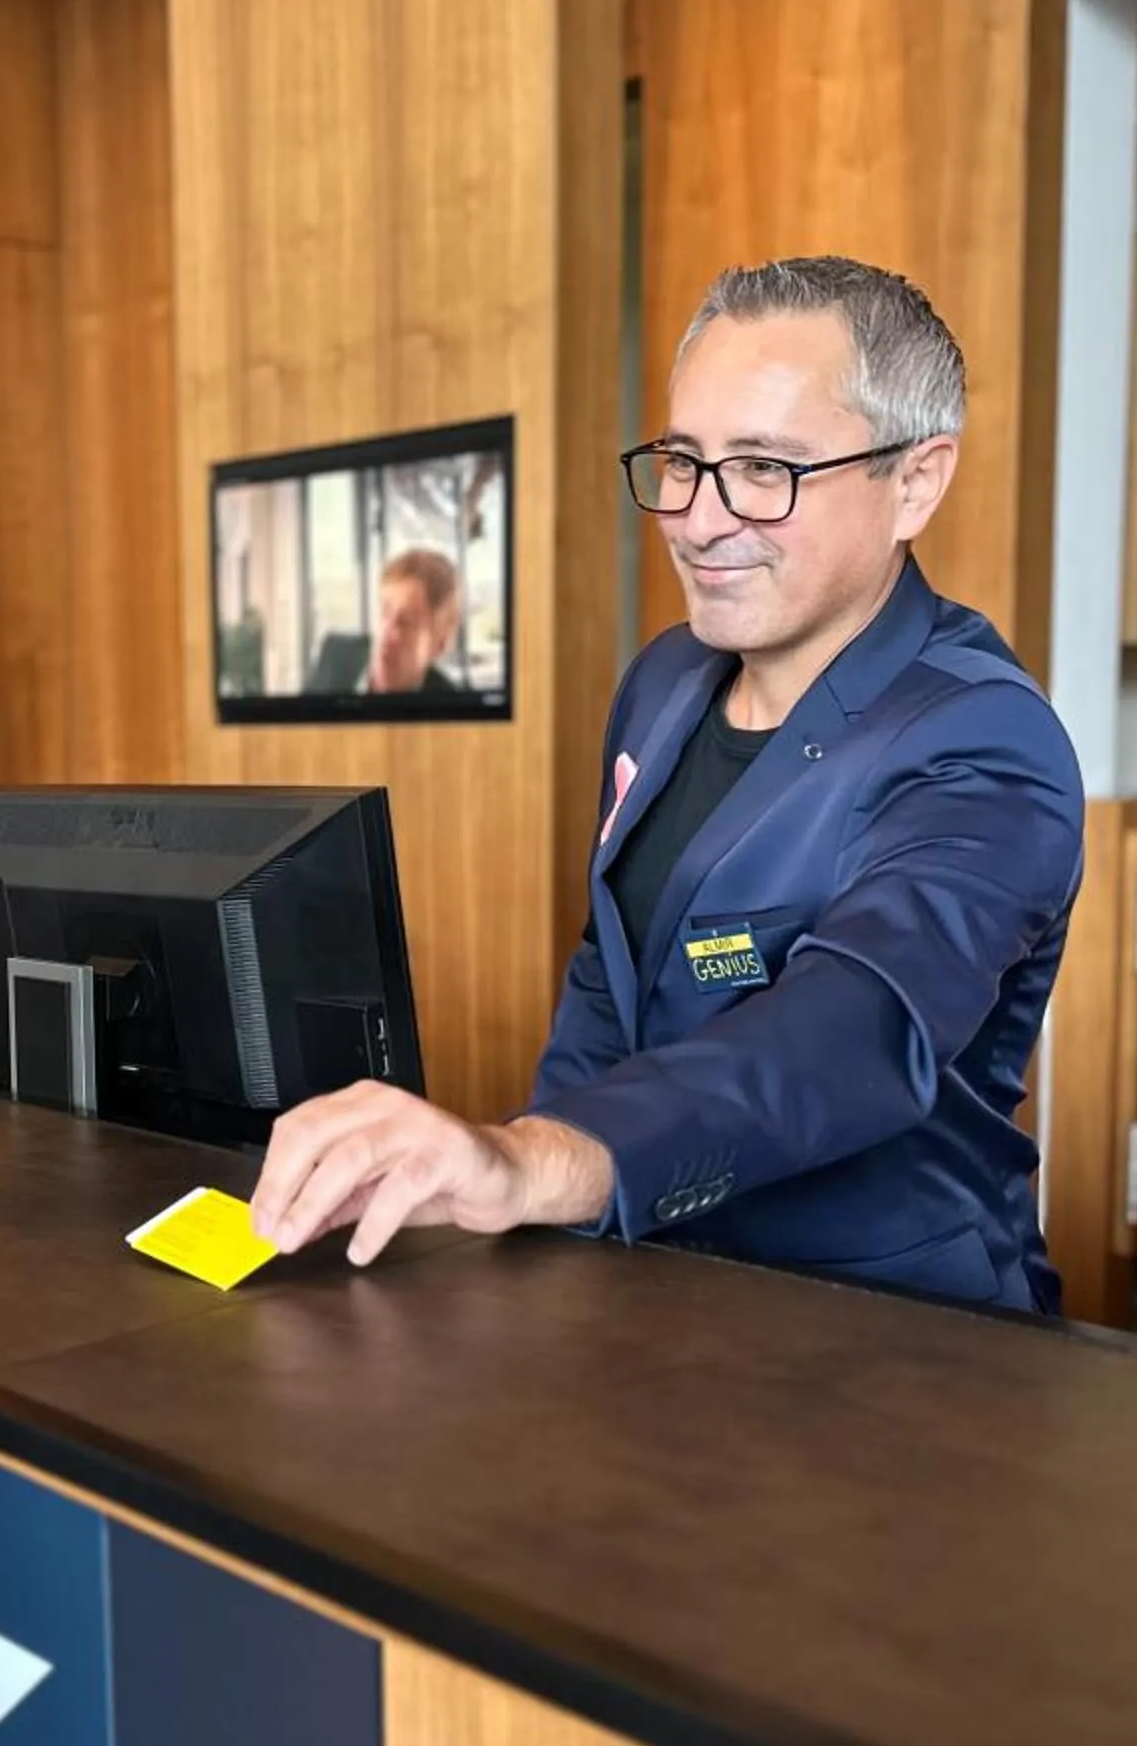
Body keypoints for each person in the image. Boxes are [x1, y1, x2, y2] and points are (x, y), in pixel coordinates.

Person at [252, 256, 1085, 1314]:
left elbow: (854, 1030)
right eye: (684, 461)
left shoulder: (985, 739)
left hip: (888, 1331)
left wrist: (543, 1163)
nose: (697, 518)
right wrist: (533, 1189)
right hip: (651, 1282)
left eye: (766, 470)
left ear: (915, 481)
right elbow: (612, 977)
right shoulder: (666, 681)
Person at [362, 547, 466, 693]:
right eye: (384, 614)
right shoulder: (336, 675)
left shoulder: (453, 707)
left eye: (405, 622)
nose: (386, 632)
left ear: (439, 646)